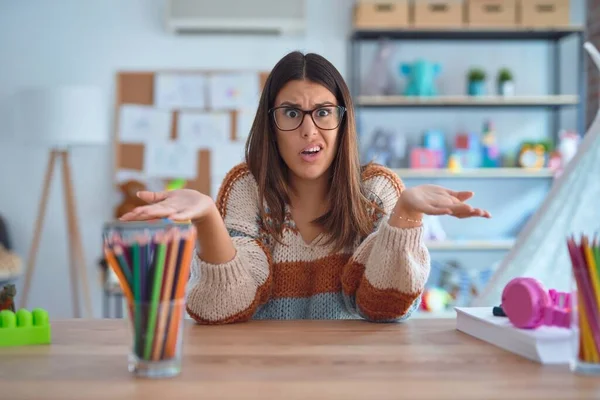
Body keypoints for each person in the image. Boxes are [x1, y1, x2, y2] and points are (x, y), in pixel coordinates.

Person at [119, 51, 491, 324]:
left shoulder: (378, 189)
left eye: (324, 112)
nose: (309, 130)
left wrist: (406, 214)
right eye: (292, 113)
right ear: (271, 123)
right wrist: (206, 217)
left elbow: (387, 308)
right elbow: (220, 310)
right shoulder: (246, 188)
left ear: (343, 122)